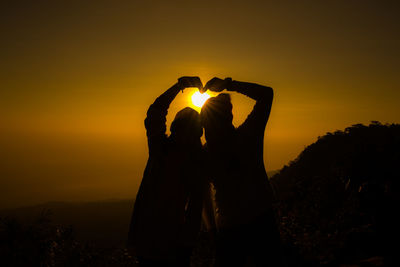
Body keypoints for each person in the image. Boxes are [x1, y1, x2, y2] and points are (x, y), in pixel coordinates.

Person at [200, 77, 285, 266]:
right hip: (262, 221)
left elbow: (203, 195)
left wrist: (213, 232)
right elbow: (266, 94)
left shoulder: (205, 154)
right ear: (229, 117)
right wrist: (229, 84)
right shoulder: (249, 136)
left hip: (230, 228)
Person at [128, 77, 207, 267]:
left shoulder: (161, 150)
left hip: (153, 241)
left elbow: (155, 112)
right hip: (168, 245)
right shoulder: (192, 161)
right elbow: (195, 211)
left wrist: (180, 86)